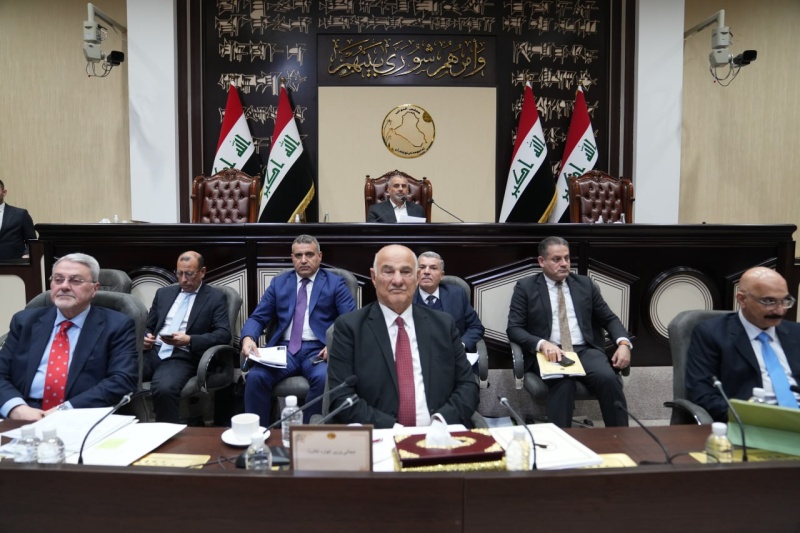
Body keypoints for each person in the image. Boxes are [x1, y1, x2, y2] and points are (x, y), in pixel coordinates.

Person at [327, 244, 479, 428]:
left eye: (406, 272)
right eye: (388, 271)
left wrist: (440, 421)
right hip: (380, 436)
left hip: (439, 434)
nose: (398, 280)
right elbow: (341, 398)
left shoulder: (443, 325)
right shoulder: (350, 328)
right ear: (374, 277)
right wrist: (394, 430)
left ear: (417, 277)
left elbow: (468, 386)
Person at [506, 236, 631, 428]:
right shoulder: (526, 287)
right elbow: (514, 329)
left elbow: (609, 318)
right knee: (563, 383)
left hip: (585, 350)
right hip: (549, 352)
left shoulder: (585, 285)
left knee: (609, 379)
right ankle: (561, 438)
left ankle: (619, 437)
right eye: (557, 259)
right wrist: (542, 344)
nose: (564, 264)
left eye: (567, 258)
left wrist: (623, 343)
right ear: (542, 261)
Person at [0, 253, 138, 421]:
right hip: (23, 412)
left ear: (95, 288)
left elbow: (122, 380)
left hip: (81, 414)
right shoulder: (25, 321)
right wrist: (16, 408)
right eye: (58, 279)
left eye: (76, 281)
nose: (64, 286)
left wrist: (64, 410)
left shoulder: (116, 325)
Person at [240, 235, 355, 423]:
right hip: (284, 350)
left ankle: (309, 431)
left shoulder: (335, 283)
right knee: (256, 377)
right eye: (298, 255)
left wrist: (335, 345)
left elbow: (350, 320)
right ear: (292, 258)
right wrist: (248, 338)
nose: (303, 260)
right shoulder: (279, 283)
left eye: (309, 254)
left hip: (319, 350)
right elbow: (258, 317)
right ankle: (258, 432)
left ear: (319, 256)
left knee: (324, 378)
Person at [686, 267, 800, 421]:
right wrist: (748, 418)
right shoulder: (712, 333)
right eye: (769, 301)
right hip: (752, 421)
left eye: (785, 301)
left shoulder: (796, 333)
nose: (779, 311)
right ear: (742, 299)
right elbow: (702, 393)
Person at [142, 251, 231, 423]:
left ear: (202, 272)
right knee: (118, 375)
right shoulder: (163, 293)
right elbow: (148, 326)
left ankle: (166, 435)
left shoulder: (215, 298)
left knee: (165, 388)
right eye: (179, 273)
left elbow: (223, 334)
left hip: (182, 354)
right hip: (153, 350)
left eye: (189, 274)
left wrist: (190, 340)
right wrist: (145, 337)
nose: (183, 280)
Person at [415, 251, 485, 354]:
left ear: (441, 275)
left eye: (433, 268)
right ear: (415, 273)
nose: (426, 272)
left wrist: (461, 346)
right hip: (417, 356)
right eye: (422, 267)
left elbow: (476, 327)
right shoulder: (405, 297)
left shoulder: (457, 294)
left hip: (452, 355)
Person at [0, 179, 36, 261]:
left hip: (14, 263)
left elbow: (32, 241)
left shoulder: (20, 214)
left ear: (4, 192)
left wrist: (27, 254)